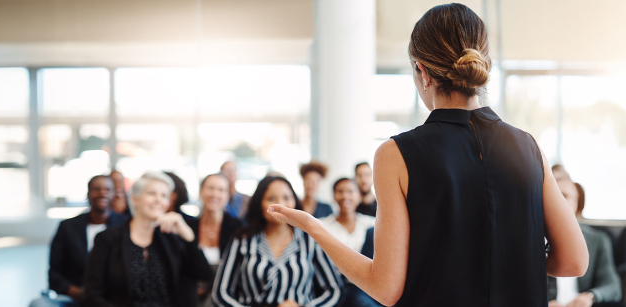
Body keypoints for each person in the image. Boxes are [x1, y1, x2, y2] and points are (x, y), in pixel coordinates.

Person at [266, 4, 589, 307]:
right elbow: (574, 260)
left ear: (423, 72)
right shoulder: (528, 146)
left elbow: (386, 288)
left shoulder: (396, 154)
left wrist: (315, 228)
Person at [84, 171, 213, 307]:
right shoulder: (107, 239)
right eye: (152, 193)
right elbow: (92, 296)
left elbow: (204, 274)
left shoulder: (171, 239)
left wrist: (188, 236)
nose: (158, 200)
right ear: (135, 199)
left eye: (164, 196)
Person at [212, 176, 344, 307]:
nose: (280, 205)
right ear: (259, 204)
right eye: (271, 199)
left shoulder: (309, 240)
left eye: (286, 198)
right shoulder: (242, 240)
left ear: (295, 202)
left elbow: (334, 291)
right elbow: (220, 294)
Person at [30, 175, 129, 307]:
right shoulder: (67, 227)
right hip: (75, 297)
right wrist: (76, 292)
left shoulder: (125, 227)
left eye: (107, 189)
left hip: (110, 299)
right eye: (97, 189)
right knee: (38, 304)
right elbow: (54, 274)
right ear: (88, 194)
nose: (102, 193)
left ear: (114, 194)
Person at [547, 167, 622, 307]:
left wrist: (589, 297)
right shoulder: (531, 239)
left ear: (578, 206)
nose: (559, 202)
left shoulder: (598, 240)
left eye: (565, 196)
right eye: (555, 196)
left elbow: (612, 286)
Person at [184, 174, 243, 307]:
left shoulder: (238, 227)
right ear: (201, 192)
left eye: (221, 190)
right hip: (193, 297)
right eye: (210, 188)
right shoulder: (189, 226)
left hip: (226, 298)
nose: (215, 194)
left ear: (227, 196)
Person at [319, 178, 379, 307]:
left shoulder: (372, 223)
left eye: (350, 191)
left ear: (359, 196)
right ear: (334, 196)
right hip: (340, 283)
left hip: (371, 282)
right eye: (340, 191)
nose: (345, 196)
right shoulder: (321, 226)